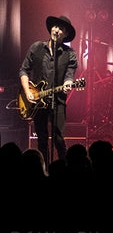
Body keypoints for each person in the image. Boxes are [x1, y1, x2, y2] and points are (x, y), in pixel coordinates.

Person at [19, 15, 79, 167]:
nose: (57, 30)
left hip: (57, 102)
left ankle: (64, 169)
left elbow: (69, 76)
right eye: (55, 26)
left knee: (59, 139)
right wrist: (27, 91)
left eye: (61, 28)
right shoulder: (36, 47)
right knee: (42, 140)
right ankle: (43, 170)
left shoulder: (69, 54)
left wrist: (67, 84)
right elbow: (24, 70)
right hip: (37, 102)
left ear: (65, 34)